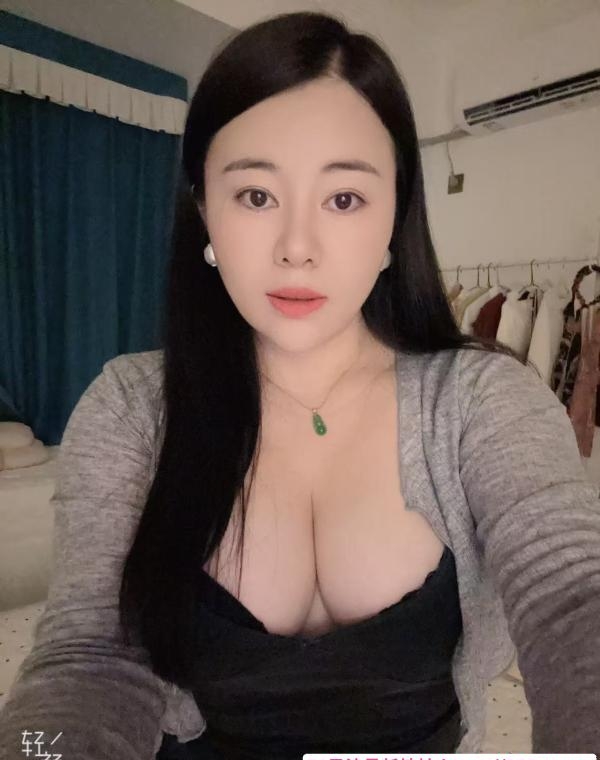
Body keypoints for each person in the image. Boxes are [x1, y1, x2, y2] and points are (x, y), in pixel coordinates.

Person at [1, 11, 599, 760]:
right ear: (204, 210)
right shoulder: (131, 410)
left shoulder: (482, 401)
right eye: (256, 196)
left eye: (343, 199)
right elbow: (86, 661)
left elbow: (574, 601)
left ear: (394, 217)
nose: (297, 249)